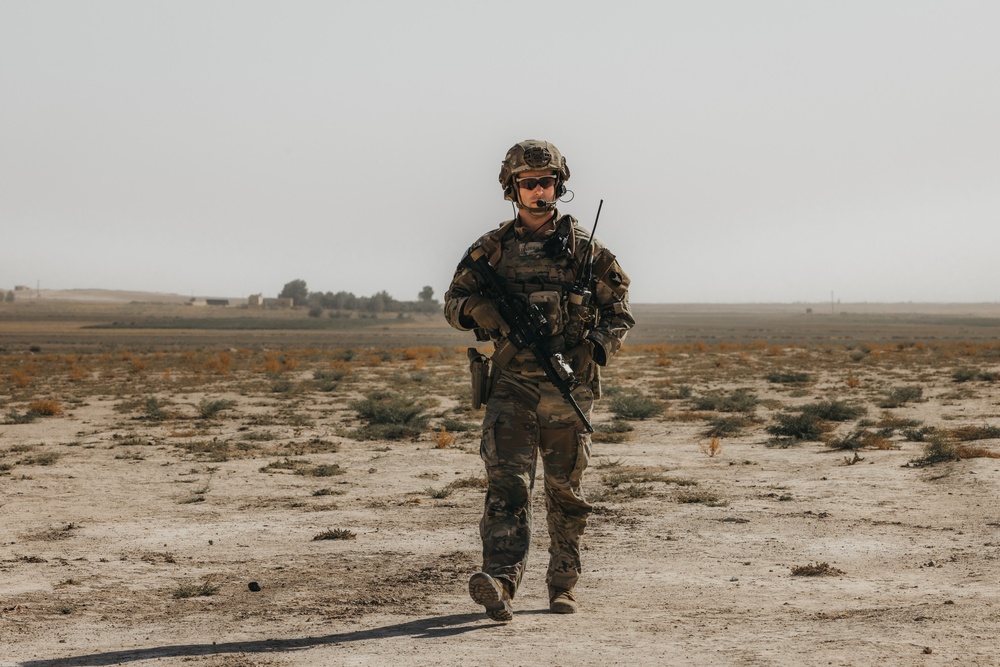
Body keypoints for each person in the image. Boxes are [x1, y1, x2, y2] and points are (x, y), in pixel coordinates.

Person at [444, 139, 634, 621]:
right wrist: (475, 308)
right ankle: (501, 583)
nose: (538, 191)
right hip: (512, 386)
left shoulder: (586, 251)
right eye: (528, 183)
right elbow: (452, 302)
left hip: (568, 390)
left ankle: (563, 584)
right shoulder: (490, 251)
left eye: (546, 182)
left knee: (565, 492)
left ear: (558, 185)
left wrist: (592, 348)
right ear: (513, 189)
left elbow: (619, 314)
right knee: (506, 488)